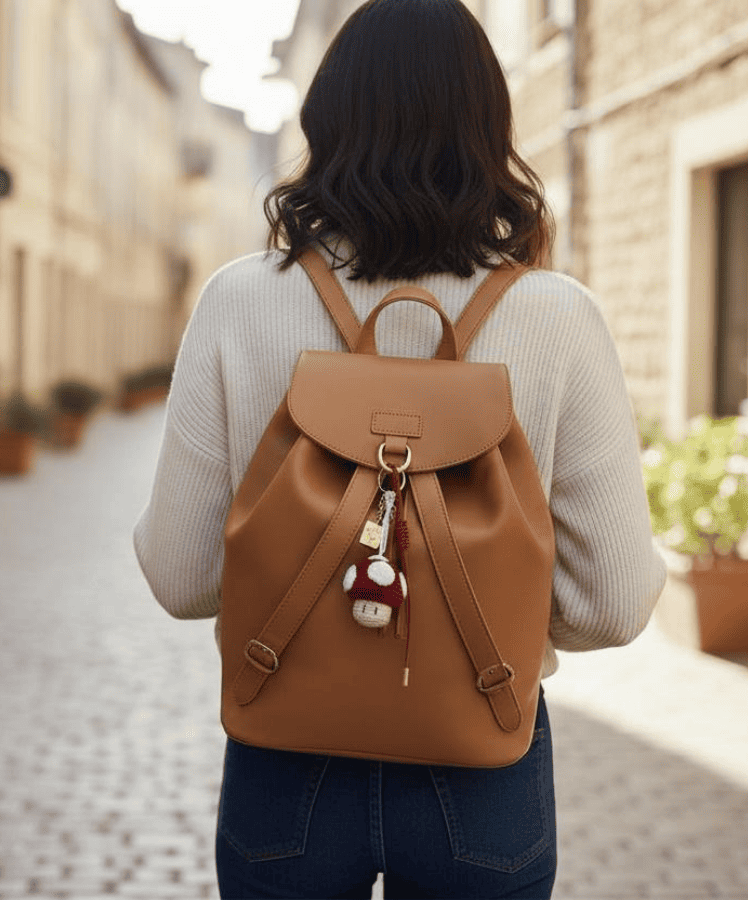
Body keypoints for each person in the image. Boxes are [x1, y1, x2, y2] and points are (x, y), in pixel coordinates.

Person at [134, 1, 668, 897]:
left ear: (326, 121)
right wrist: (487, 610)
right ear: (488, 127)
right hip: (482, 754)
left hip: (285, 749)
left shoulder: (236, 302)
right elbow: (613, 604)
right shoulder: (557, 316)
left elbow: (183, 578)